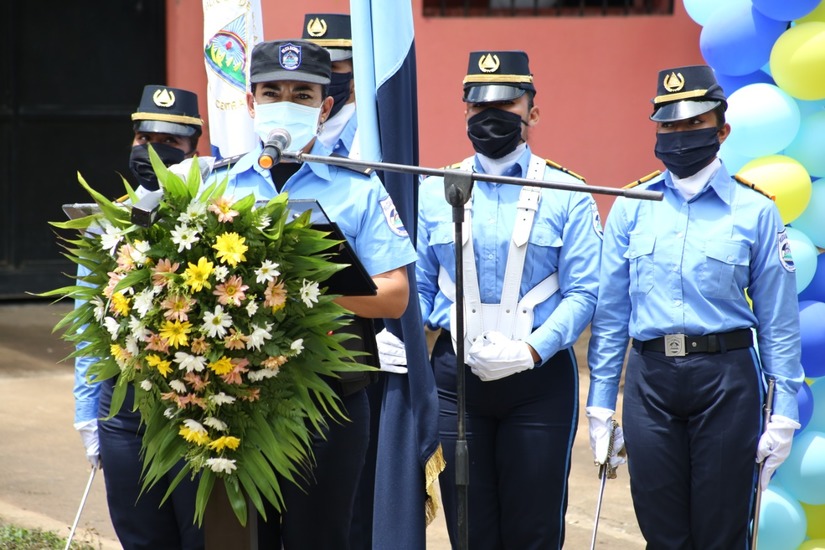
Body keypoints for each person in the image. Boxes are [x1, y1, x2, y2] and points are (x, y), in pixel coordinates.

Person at [207, 39, 417, 549]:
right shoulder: (217, 185)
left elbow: (395, 295)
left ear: (325, 108)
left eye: (302, 95)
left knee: (318, 539)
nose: (286, 104)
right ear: (251, 103)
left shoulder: (358, 187)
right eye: (272, 92)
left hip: (329, 402)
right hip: (236, 398)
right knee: (239, 542)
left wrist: (303, 293)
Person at [586, 65, 804, 549]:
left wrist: (784, 410)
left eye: (694, 123)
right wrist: (600, 402)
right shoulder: (630, 204)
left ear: (722, 130)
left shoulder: (756, 210)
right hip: (650, 381)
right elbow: (611, 314)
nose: (680, 135)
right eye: (669, 125)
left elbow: (778, 320)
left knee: (721, 532)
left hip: (725, 381)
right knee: (661, 531)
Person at [415, 50, 602, 548]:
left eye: (506, 104)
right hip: (457, 380)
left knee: (534, 528)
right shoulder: (433, 190)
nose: (491, 115)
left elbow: (584, 290)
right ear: (465, 111)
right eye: (480, 106)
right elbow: (420, 287)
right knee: (468, 528)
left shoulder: (568, 191)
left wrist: (532, 349)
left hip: (538, 378)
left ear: (532, 111)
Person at [73, 85, 205, 550]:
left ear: (193, 149)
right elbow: (89, 326)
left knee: (202, 537)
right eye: (143, 139)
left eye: (169, 142)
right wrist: (87, 413)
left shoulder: (218, 219)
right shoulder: (106, 221)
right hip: (124, 406)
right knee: (140, 537)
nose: (152, 150)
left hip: (198, 400)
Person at [301, 13, 359, 157]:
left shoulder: (371, 135)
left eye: (332, 67)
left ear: (355, 75)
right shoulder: (291, 131)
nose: (320, 76)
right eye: (312, 68)